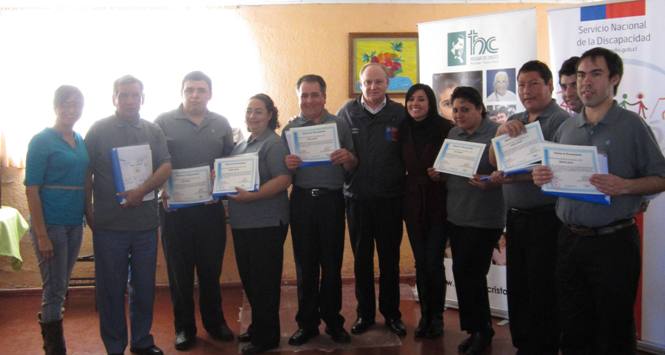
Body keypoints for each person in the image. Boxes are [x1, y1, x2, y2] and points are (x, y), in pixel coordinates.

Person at [533, 47, 665, 354]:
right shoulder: (567, 127)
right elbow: (560, 176)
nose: (585, 82)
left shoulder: (631, 125)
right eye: (580, 74)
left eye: (595, 73)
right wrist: (544, 177)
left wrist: (625, 185)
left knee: (614, 328)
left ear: (614, 79)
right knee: (574, 325)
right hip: (569, 240)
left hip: (613, 243)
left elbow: (660, 177)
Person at [85, 75, 171, 355]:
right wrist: (89, 211)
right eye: (124, 95)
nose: (130, 100)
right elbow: (85, 175)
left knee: (144, 287)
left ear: (142, 98)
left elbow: (165, 166)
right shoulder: (98, 130)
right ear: (114, 98)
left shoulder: (153, 130)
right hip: (109, 225)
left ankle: (142, 341)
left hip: (146, 224)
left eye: (135, 95)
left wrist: (142, 190)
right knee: (111, 290)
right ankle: (114, 346)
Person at [489, 60, 569, 354]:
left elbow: (558, 171)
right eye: (521, 84)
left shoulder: (560, 122)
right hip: (516, 218)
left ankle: (544, 346)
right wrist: (500, 134)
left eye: (534, 83)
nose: (526, 90)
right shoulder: (516, 119)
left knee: (543, 290)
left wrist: (520, 174)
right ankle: (523, 344)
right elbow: (494, 161)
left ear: (549, 86)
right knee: (519, 287)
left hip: (546, 219)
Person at [155, 71, 235, 351]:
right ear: (182, 92)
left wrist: (222, 179)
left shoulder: (222, 123)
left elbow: (230, 160)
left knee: (210, 271)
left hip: (210, 210)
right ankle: (184, 329)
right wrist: (159, 189)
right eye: (189, 90)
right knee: (180, 274)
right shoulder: (163, 122)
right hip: (174, 212)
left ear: (209, 93)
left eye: (201, 90)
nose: (195, 95)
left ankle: (215, 324)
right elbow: (153, 162)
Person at [283, 75, 357, 346]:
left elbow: (353, 164)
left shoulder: (339, 124)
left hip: (331, 201)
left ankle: (333, 322)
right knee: (305, 265)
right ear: (298, 98)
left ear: (324, 97)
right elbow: (284, 173)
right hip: (301, 201)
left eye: (315, 95)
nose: (310, 100)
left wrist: (348, 158)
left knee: (331, 263)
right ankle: (307, 324)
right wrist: (288, 164)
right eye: (304, 95)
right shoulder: (290, 129)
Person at [337, 62, 407, 336]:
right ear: (360, 84)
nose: (373, 87)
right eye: (367, 83)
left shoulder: (399, 114)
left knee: (390, 260)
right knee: (362, 260)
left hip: (391, 199)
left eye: (378, 82)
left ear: (387, 83)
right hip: (357, 199)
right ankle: (365, 314)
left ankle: (391, 314)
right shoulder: (347, 112)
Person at [25, 85, 89, 355]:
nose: (71, 109)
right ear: (55, 106)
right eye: (65, 104)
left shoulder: (79, 139)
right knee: (54, 289)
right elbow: (31, 188)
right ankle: (54, 349)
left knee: (61, 285)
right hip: (50, 224)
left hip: (75, 223)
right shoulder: (41, 141)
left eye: (76, 105)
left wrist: (88, 214)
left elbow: (86, 179)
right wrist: (41, 234)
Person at [228, 93, 292, 354]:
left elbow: (283, 179)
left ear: (269, 115)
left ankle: (267, 338)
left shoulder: (273, 144)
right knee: (251, 281)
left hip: (267, 223)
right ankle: (258, 328)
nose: (252, 116)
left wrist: (252, 196)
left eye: (258, 111)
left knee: (265, 283)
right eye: (249, 111)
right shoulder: (241, 146)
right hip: (243, 224)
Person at [445, 86, 504, 355]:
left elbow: (506, 175)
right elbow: (451, 171)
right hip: (457, 215)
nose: (459, 115)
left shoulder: (495, 133)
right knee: (461, 273)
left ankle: (483, 331)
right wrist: (439, 171)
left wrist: (491, 182)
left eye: (465, 109)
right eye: (455, 109)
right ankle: (473, 329)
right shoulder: (453, 134)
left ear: (480, 108)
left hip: (485, 217)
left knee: (474, 275)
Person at [400, 83, 453, 339]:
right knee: (421, 262)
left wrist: (442, 175)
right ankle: (425, 317)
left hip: (438, 201)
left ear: (430, 102)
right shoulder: (402, 129)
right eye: (411, 100)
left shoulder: (446, 128)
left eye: (421, 99)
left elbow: (457, 165)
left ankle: (437, 317)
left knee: (434, 261)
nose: (415, 104)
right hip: (411, 201)